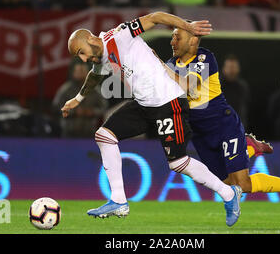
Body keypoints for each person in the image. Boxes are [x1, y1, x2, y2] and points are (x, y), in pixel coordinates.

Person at [60, 12, 243, 227]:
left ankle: (229, 193)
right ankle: (118, 200)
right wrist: (78, 98)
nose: (83, 59)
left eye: (81, 52)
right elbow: (96, 73)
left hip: (169, 102)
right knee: (104, 135)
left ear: (91, 39)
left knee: (178, 162)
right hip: (144, 104)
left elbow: (155, 17)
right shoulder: (101, 54)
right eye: (78, 57)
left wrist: (187, 26)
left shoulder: (120, 36)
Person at [158, 26, 280, 216]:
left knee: (242, 183)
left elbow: (188, 86)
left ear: (192, 41)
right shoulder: (170, 64)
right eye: (172, 37)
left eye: (177, 37)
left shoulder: (204, 58)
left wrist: (158, 66)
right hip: (199, 134)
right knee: (228, 185)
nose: (172, 42)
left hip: (223, 124)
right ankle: (249, 148)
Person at [52, 62, 107, 138]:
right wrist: (73, 111)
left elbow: (104, 107)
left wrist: (92, 112)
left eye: (83, 71)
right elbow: (57, 107)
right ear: (73, 73)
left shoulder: (95, 90)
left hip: (89, 132)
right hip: (69, 132)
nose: (81, 74)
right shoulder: (65, 89)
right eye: (78, 71)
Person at [220, 54, 250, 128]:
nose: (231, 71)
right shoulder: (216, 86)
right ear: (224, 69)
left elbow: (245, 107)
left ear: (238, 69)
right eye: (229, 67)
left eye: (234, 67)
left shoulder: (243, 86)